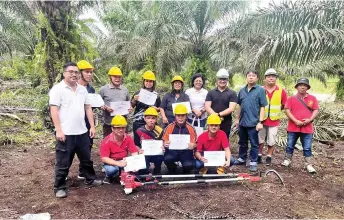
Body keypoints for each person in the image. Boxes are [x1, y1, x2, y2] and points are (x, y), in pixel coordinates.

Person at [49, 62, 102, 198]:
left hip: (82, 132)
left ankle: (90, 179)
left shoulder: (82, 90)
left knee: (86, 159)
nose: (74, 74)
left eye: (76, 72)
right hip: (66, 133)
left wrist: (92, 126)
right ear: (64, 73)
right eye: (70, 71)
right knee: (63, 162)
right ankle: (59, 187)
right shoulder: (57, 89)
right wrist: (59, 130)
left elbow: (88, 108)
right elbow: (54, 110)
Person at [281, 78, 319, 173]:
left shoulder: (312, 98)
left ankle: (308, 164)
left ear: (307, 87)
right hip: (293, 127)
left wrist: (310, 119)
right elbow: (287, 110)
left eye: (305, 85)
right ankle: (287, 160)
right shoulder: (291, 98)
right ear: (297, 87)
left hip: (307, 127)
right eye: (300, 85)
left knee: (307, 147)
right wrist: (295, 120)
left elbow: (316, 110)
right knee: (290, 145)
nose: (302, 87)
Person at [234, 70, 267, 172]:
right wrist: (237, 119)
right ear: (246, 77)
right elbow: (240, 105)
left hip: (254, 123)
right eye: (249, 75)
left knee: (254, 143)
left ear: (257, 78)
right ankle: (242, 158)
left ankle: (253, 162)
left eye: (253, 76)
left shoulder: (260, 90)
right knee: (242, 142)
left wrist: (260, 122)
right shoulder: (242, 90)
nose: (251, 77)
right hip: (243, 122)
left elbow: (262, 107)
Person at [68, 60, 96, 180]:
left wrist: (92, 125)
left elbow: (90, 107)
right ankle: (63, 174)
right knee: (67, 151)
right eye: (87, 72)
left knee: (86, 149)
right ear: (79, 73)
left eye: (90, 72)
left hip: (86, 124)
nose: (89, 75)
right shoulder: (68, 88)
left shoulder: (91, 90)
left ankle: (83, 172)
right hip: (71, 125)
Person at [258, 68, 288, 165]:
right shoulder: (260, 90)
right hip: (261, 119)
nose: (271, 78)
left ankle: (269, 156)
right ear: (265, 78)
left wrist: (277, 110)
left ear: (276, 79)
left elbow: (284, 104)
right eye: (269, 77)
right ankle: (259, 155)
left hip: (274, 120)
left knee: (271, 139)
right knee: (260, 139)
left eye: (273, 77)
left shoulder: (281, 91)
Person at [100, 115, 140, 184]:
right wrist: (118, 163)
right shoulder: (106, 141)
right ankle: (109, 176)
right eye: (117, 128)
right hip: (112, 162)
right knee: (111, 170)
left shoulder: (128, 138)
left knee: (138, 168)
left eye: (123, 128)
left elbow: (134, 152)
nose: (121, 130)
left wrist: (134, 163)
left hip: (124, 160)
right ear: (112, 128)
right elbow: (104, 158)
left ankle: (122, 173)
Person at [162, 104, 197, 174]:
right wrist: (165, 143)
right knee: (167, 159)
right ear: (175, 116)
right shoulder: (169, 127)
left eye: (183, 115)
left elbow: (195, 143)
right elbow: (164, 141)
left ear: (186, 116)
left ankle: (185, 169)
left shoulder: (191, 128)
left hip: (186, 152)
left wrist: (193, 145)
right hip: (172, 151)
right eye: (178, 115)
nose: (180, 118)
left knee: (189, 165)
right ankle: (173, 168)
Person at [99, 67, 132, 138]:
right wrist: (104, 107)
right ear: (110, 77)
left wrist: (129, 108)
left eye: (119, 77)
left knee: (123, 145)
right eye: (115, 77)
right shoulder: (103, 89)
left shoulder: (125, 90)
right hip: (109, 124)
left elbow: (128, 104)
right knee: (108, 144)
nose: (117, 79)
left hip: (122, 124)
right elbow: (98, 103)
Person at [131, 71, 161, 148]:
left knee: (151, 140)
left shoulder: (156, 96)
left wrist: (156, 109)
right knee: (138, 141)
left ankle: (151, 157)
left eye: (150, 81)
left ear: (153, 83)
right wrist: (134, 99)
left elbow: (160, 108)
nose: (148, 83)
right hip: (138, 121)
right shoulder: (138, 93)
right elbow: (131, 106)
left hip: (151, 122)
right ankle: (139, 157)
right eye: (146, 81)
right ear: (143, 81)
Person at [205, 68, 237, 138]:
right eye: (220, 79)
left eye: (224, 79)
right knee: (212, 140)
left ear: (227, 80)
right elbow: (207, 106)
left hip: (226, 122)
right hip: (212, 122)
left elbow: (231, 108)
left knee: (224, 140)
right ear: (217, 80)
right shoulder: (211, 93)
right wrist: (216, 116)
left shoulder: (232, 93)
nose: (222, 81)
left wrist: (219, 115)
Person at [136, 107, 164, 174]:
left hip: (156, 154)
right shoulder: (139, 131)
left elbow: (162, 142)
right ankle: (146, 169)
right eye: (148, 118)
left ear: (156, 119)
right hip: (144, 154)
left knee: (160, 157)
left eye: (153, 118)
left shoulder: (160, 130)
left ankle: (157, 169)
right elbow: (136, 144)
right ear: (145, 119)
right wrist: (139, 150)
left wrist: (162, 147)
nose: (150, 120)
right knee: (143, 171)